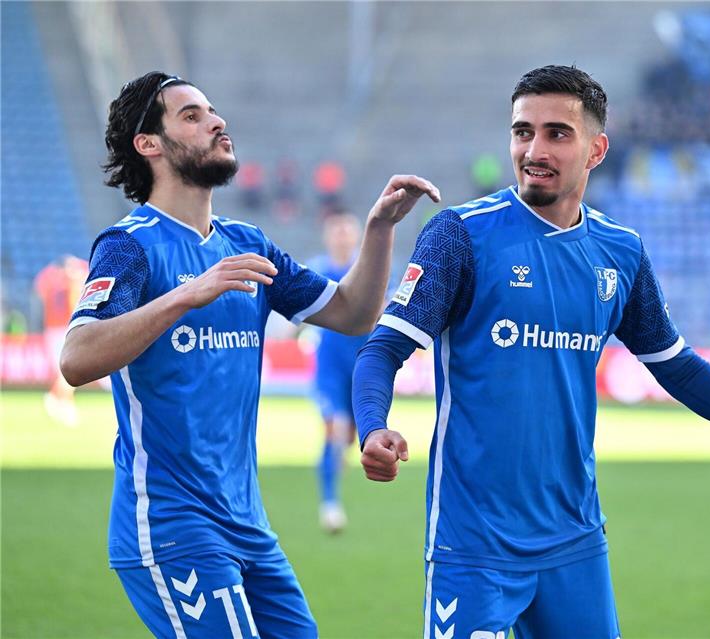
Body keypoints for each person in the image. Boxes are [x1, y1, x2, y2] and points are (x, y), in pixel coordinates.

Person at [352, 65, 710, 638]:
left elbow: (678, 368)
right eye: (522, 131)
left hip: (575, 541)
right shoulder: (460, 234)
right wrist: (372, 426)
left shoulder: (620, 252)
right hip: (475, 543)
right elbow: (381, 350)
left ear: (596, 149)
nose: (534, 148)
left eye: (557, 133)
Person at [59, 71, 439, 639]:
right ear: (149, 144)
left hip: (247, 524)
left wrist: (379, 229)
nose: (217, 122)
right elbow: (75, 357)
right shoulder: (130, 245)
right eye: (192, 115)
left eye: (213, 111)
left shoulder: (248, 245)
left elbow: (354, 314)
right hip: (171, 523)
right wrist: (188, 293)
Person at [308, 212, 368, 533]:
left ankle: (336, 465)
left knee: (349, 438)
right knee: (335, 430)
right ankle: (330, 504)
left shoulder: (370, 270)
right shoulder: (317, 271)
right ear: (328, 236)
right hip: (329, 366)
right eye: (337, 230)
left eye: (348, 230)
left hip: (363, 368)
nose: (343, 236)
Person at [34, 254, 89, 426]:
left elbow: (39, 290)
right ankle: (55, 398)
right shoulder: (71, 282)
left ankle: (65, 403)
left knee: (63, 369)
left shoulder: (50, 280)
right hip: (64, 328)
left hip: (51, 328)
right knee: (67, 370)